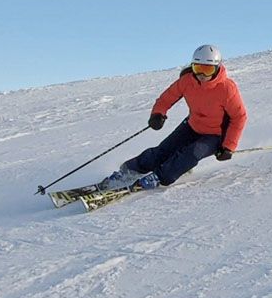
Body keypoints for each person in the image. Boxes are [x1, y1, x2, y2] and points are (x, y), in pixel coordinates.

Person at [100, 44, 247, 190]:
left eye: (207, 69)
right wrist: (158, 114)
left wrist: (228, 147)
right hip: (192, 125)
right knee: (165, 149)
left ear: (217, 68)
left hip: (216, 134)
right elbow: (166, 99)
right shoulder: (187, 81)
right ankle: (129, 171)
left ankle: (159, 177)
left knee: (191, 154)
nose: (201, 74)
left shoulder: (227, 89)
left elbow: (239, 117)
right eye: (197, 68)